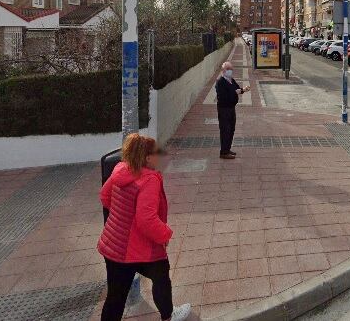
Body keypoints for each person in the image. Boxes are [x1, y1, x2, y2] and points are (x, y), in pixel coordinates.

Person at [98, 133, 192, 321]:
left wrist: (122, 219)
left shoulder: (120, 169)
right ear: (147, 157)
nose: (159, 156)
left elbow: (105, 196)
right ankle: (169, 315)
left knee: (115, 298)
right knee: (161, 278)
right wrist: (165, 234)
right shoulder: (149, 179)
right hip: (140, 248)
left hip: (114, 247)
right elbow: (146, 219)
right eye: (156, 153)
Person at [214, 61, 249, 159]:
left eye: (231, 69)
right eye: (228, 69)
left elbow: (237, 89)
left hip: (231, 108)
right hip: (224, 109)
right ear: (223, 71)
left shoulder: (231, 80)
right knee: (225, 130)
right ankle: (223, 152)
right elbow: (223, 97)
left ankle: (227, 149)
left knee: (231, 129)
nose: (230, 71)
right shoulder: (220, 82)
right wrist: (235, 93)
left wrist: (243, 89)